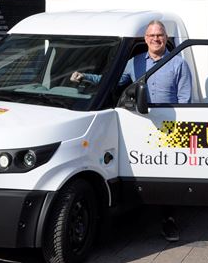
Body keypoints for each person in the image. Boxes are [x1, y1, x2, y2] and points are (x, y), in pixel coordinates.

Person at [71, 19, 192, 241]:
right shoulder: (134, 62)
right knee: (144, 170)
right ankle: (141, 217)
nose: (156, 39)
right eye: (152, 35)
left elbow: (185, 99)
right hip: (140, 125)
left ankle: (169, 220)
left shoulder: (178, 64)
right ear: (145, 39)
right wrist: (85, 78)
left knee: (169, 176)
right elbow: (112, 82)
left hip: (169, 127)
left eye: (160, 35)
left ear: (166, 38)